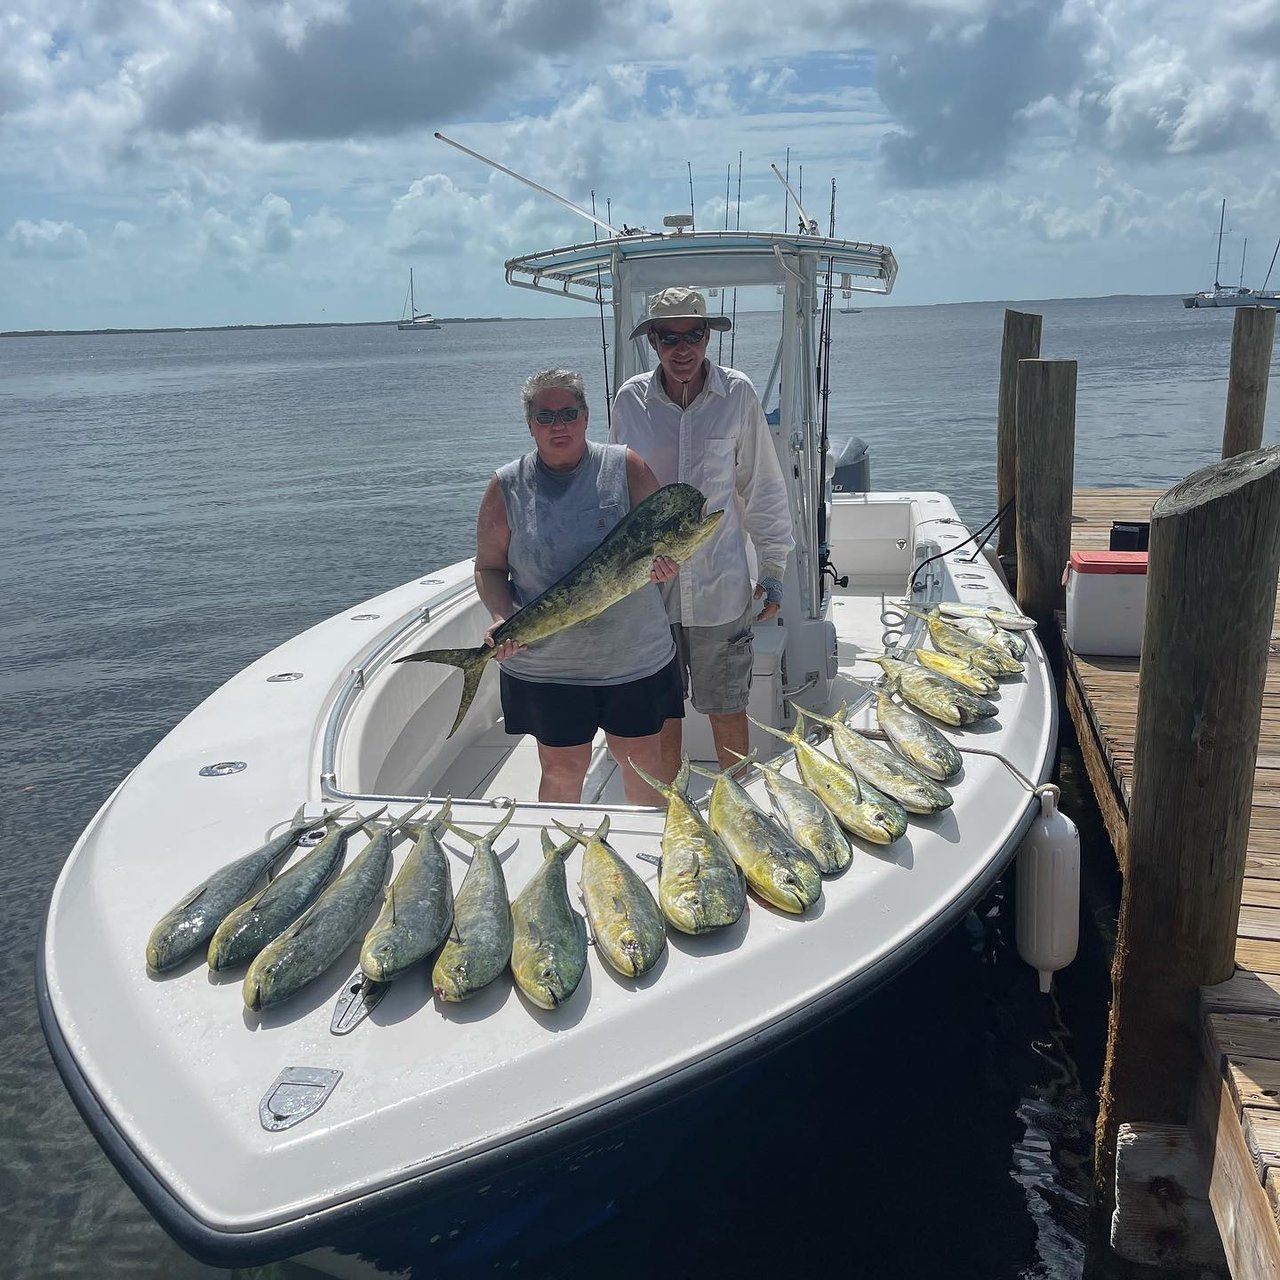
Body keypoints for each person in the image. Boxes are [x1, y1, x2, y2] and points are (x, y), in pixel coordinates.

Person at [474, 367, 683, 806]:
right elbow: (490, 569)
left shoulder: (626, 467)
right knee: (562, 767)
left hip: (632, 657)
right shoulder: (506, 485)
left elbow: (665, 542)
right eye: (545, 416)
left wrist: (667, 566)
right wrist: (500, 617)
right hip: (547, 664)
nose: (559, 425)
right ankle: (557, 861)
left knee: (642, 760)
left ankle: (651, 861)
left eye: (568, 413)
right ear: (529, 423)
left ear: (587, 416)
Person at [609, 286, 794, 775]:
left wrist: (773, 569)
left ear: (708, 337)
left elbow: (764, 487)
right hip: (649, 591)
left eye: (693, 335)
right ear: (652, 341)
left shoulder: (738, 393)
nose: (682, 348)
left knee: (727, 706)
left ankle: (740, 808)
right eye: (669, 338)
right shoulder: (630, 400)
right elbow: (616, 493)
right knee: (662, 713)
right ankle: (673, 810)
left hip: (720, 587)